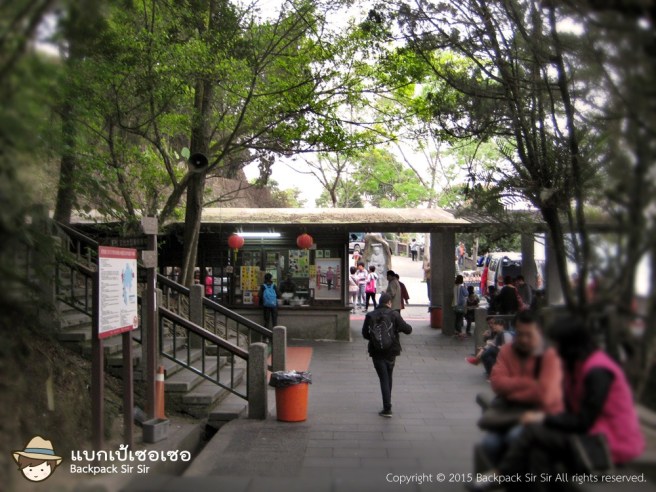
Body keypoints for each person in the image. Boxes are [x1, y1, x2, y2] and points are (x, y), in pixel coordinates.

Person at [469, 316, 645, 492]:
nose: (555, 350)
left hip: (608, 441)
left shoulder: (598, 370)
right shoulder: (577, 365)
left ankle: (500, 475)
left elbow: (584, 420)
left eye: (558, 345)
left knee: (532, 432)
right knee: (537, 451)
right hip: (591, 433)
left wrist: (544, 419)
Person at [478, 311, 564, 468]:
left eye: (529, 335)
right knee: (490, 444)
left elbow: (546, 393)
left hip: (539, 413)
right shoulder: (507, 351)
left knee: (514, 437)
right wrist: (530, 384)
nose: (523, 339)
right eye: (520, 334)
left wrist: (512, 389)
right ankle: (505, 477)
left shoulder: (549, 355)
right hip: (509, 412)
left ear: (539, 333)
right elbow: (497, 382)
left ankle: (516, 478)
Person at [362, 293, 413, 417]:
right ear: (389, 302)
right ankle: (387, 405)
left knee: (383, 378)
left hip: (376, 351)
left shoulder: (370, 315)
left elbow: (364, 333)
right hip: (391, 350)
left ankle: (387, 407)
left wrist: (375, 339)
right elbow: (408, 329)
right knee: (388, 376)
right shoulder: (394, 314)